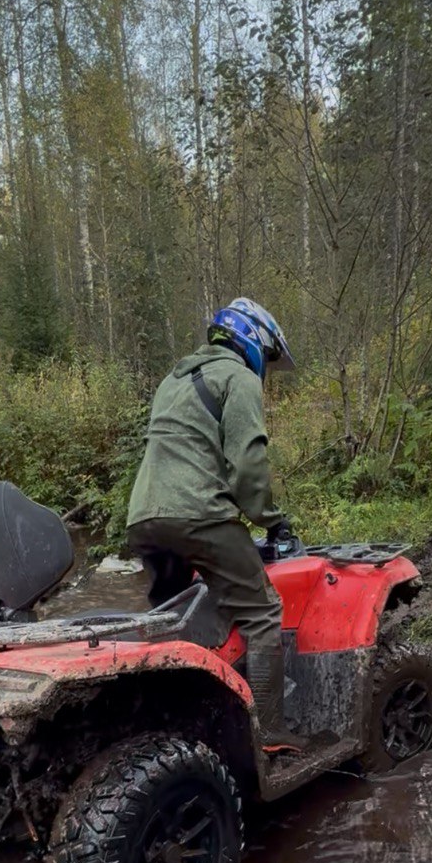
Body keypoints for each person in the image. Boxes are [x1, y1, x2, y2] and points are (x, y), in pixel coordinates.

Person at [126, 297, 308, 752]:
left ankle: (166, 726)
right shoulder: (239, 379)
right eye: (267, 357)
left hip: (145, 519)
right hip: (199, 514)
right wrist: (272, 521)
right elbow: (247, 466)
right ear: (253, 342)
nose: (264, 366)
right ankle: (269, 734)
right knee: (263, 612)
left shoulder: (173, 380)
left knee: (172, 622)